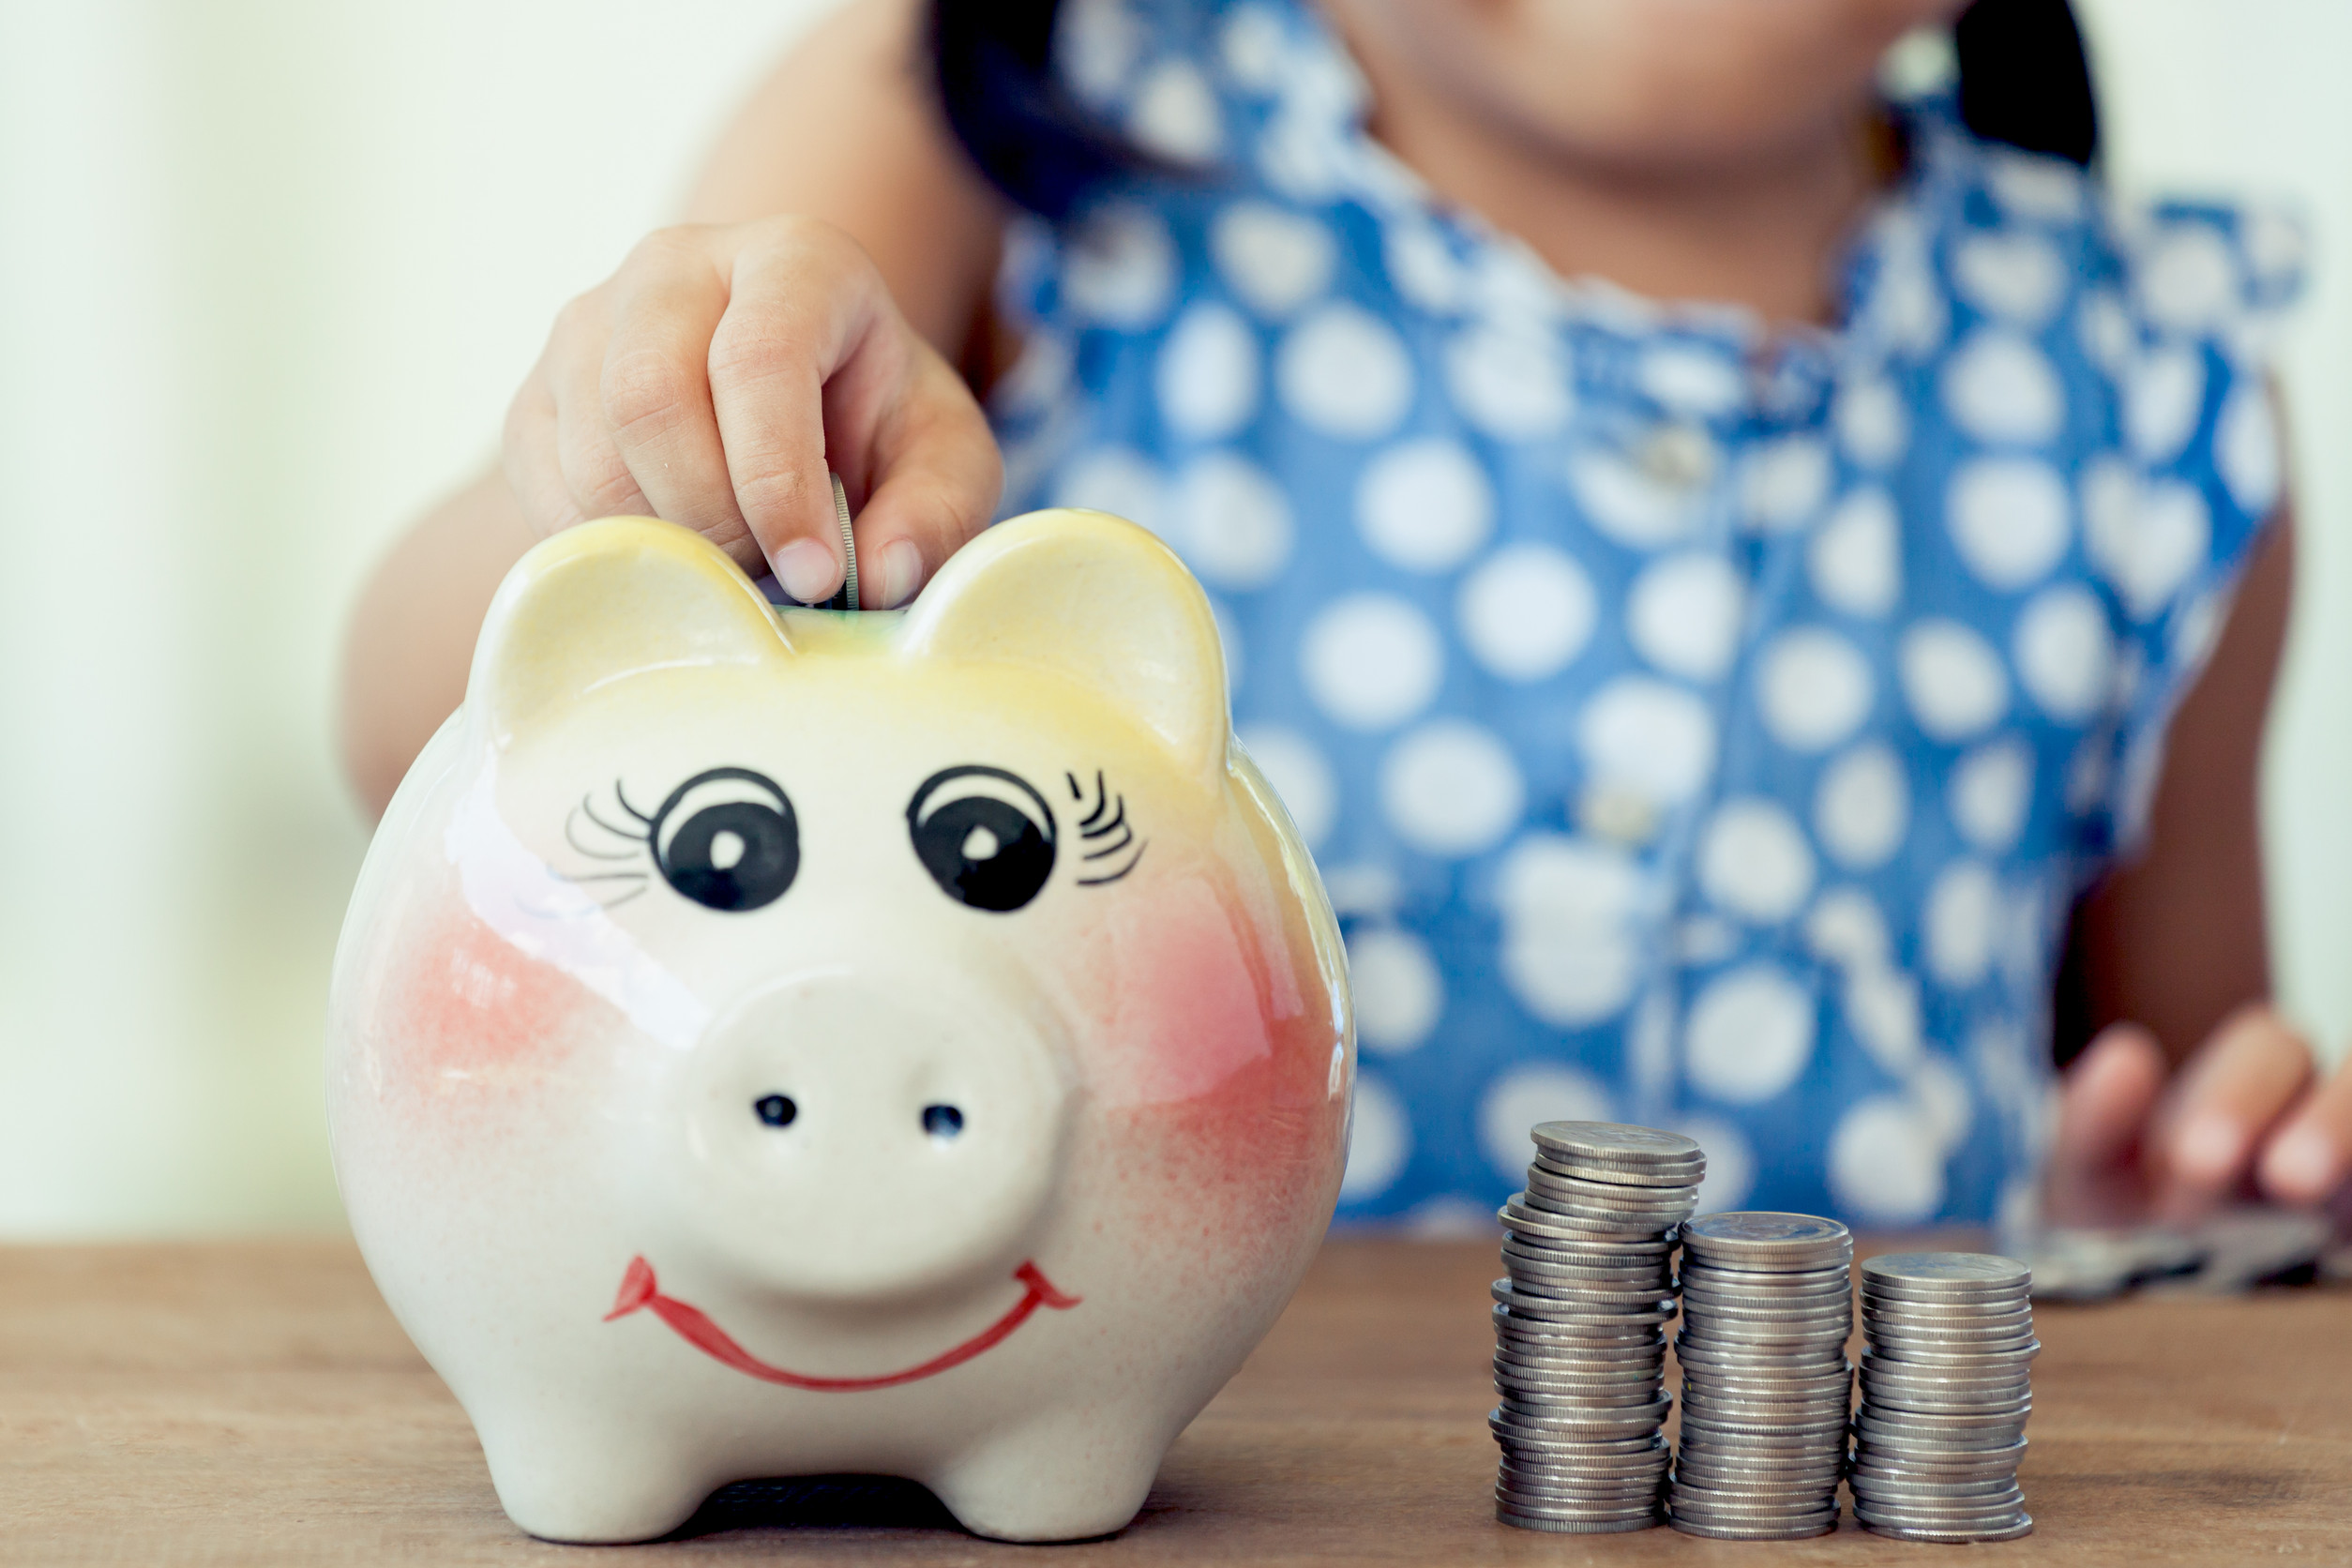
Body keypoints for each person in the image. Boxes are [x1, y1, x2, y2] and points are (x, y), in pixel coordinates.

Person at [341, 0, 2352, 1234]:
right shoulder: (989, 118)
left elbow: (2168, 1090)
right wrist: (636, 472)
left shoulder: (2150, 394)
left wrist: (2161, 1216)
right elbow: (412, 732)